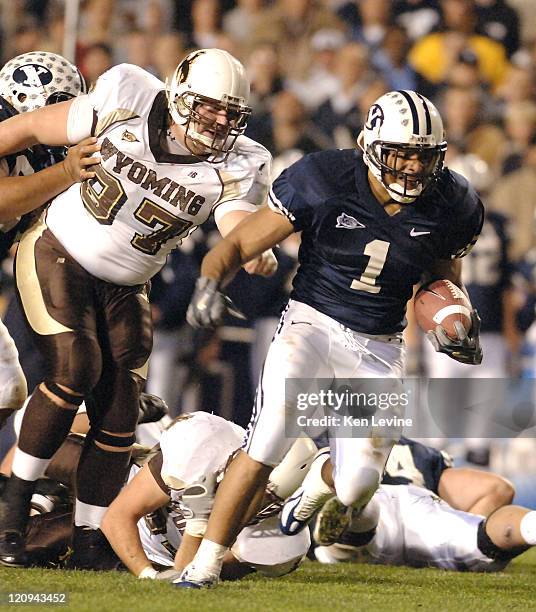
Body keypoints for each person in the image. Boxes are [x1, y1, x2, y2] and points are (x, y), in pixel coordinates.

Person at [182, 89, 484, 588]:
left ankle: (322, 473)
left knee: (357, 485)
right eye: (400, 153)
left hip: (381, 343)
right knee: (268, 438)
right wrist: (210, 281)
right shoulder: (323, 177)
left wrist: (455, 323)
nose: (411, 168)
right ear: (369, 145)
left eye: (423, 156)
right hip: (312, 323)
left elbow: (441, 280)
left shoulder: (453, 202)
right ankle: (205, 562)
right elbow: (240, 240)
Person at [0, 48, 276, 569]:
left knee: (121, 408)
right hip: (59, 249)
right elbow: (30, 128)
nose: (219, 122)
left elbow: (237, 218)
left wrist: (252, 246)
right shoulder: (128, 94)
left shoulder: (243, 161)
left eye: (229, 113)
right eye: (208, 107)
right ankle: (11, 511)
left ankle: (89, 537)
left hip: (129, 284)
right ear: (176, 96)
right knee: (75, 369)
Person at [101, 411, 315, 580]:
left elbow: (189, 571)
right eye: (256, 478)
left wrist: (197, 526)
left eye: (270, 497)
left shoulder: (279, 541)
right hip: (114, 493)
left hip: (157, 555)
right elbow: (117, 517)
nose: (255, 495)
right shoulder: (202, 443)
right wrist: (147, 575)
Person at [0, 51, 94, 432]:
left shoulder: (36, 154)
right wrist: (67, 171)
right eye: (64, 108)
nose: (70, 122)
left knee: (7, 388)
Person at [314, 484, 536, 571]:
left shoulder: (318, 440)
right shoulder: (410, 450)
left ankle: (359, 510)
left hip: (377, 500)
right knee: (481, 543)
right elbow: (497, 488)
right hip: (415, 504)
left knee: (345, 547)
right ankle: (531, 525)